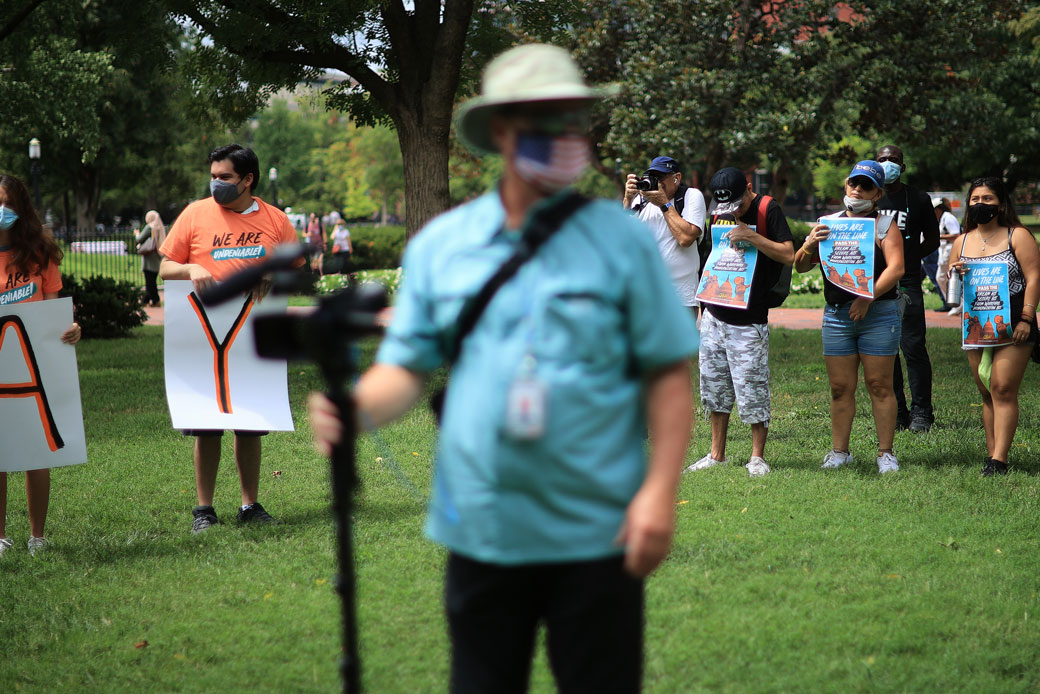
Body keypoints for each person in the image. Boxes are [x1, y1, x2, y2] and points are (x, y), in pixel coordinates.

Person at [308, 43, 698, 694]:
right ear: (500, 133)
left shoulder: (622, 239)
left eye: (569, 120)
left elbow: (667, 375)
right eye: (540, 120)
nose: (561, 136)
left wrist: (659, 492)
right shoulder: (444, 246)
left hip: (600, 530)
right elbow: (404, 367)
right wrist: (355, 407)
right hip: (482, 529)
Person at [159, 144, 302, 534]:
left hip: (251, 334)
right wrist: (189, 268)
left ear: (248, 180)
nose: (215, 183)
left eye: (224, 177)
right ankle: (203, 509)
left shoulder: (275, 220)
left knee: (249, 420)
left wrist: (275, 274)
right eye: (213, 175)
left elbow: (296, 270)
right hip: (204, 332)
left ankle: (249, 504)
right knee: (206, 423)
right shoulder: (195, 214)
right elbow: (165, 267)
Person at [794, 161, 904, 474]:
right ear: (845, 185)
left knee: (879, 385)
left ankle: (885, 453)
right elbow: (801, 265)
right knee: (840, 388)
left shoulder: (885, 226)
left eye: (866, 186)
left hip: (879, 314)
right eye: (853, 183)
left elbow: (896, 268)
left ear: (878, 193)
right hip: (838, 316)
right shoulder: (827, 223)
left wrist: (866, 298)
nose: (857, 190)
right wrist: (809, 243)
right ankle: (840, 451)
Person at [684, 167, 794, 477]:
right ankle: (716, 454)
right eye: (725, 206)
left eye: (737, 203)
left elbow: (789, 254)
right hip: (715, 316)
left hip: (749, 319)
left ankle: (757, 457)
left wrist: (752, 236)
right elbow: (710, 258)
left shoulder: (768, 209)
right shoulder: (719, 212)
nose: (732, 211)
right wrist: (702, 307)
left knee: (751, 387)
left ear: (748, 188)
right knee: (715, 387)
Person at [0, 174, 81, 557]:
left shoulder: (40, 253)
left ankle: (37, 536)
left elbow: (54, 308)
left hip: (36, 366)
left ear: (21, 208)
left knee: (36, 452)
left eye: (6, 203)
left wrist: (72, 328)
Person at [948, 177, 1039, 475]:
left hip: (1013, 320)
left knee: (1002, 388)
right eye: (975, 199)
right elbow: (953, 283)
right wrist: (955, 273)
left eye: (987, 199)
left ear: (1000, 204)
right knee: (986, 391)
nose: (980, 204)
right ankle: (992, 455)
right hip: (975, 323)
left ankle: (1000, 460)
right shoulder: (961, 241)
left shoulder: (1018, 235)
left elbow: (1034, 277)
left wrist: (1027, 317)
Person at [875, 145, 940, 432]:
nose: (888, 163)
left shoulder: (918, 198)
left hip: (909, 282)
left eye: (894, 160)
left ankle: (922, 413)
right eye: (882, 159)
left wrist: (910, 258)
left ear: (902, 167)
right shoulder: (870, 196)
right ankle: (898, 412)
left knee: (913, 347)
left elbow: (933, 240)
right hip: (878, 284)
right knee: (886, 352)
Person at [622, 156, 705, 313]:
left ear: (677, 178)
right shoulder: (641, 200)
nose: (657, 183)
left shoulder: (691, 196)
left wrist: (663, 203)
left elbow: (686, 238)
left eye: (661, 177)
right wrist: (627, 200)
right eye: (653, 177)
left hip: (680, 295)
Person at [931, 197, 964, 313]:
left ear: (938, 209)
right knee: (943, 278)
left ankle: (957, 303)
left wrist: (937, 237)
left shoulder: (948, 218)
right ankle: (954, 303)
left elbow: (956, 234)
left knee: (941, 277)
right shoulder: (943, 218)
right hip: (944, 251)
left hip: (950, 250)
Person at [134, 210, 166, 307]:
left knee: (149, 280)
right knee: (151, 280)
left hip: (149, 258)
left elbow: (139, 239)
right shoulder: (160, 227)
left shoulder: (149, 227)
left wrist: (136, 233)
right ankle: (147, 300)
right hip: (157, 257)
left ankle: (154, 300)